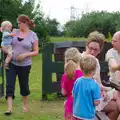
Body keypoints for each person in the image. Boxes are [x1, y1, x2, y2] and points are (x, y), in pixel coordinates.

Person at [4, 14, 39, 115]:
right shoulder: (14, 32)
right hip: (12, 63)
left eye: (19, 23)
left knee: (24, 85)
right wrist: (6, 50)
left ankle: (25, 106)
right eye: (17, 23)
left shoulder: (33, 35)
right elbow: (6, 42)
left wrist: (25, 55)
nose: (18, 25)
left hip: (25, 65)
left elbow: (36, 51)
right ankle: (9, 109)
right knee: (9, 84)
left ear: (25, 23)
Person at [82, 31, 120, 120]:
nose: (92, 52)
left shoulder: (96, 62)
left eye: (96, 50)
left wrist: (103, 90)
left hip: (96, 96)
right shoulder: (80, 60)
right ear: (86, 45)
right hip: (85, 98)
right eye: (90, 48)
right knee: (117, 94)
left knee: (115, 106)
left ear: (99, 50)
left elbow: (98, 82)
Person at [72, 55, 101, 120]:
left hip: (77, 113)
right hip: (88, 115)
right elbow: (96, 102)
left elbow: (73, 96)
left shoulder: (77, 81)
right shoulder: (95, 84)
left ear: (81, 69)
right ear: (94, 70)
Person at [61, 47, 83, 120]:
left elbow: (63, 93)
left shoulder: (65, 75)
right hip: (82, 105)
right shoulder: (84, 75)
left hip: (70, 105)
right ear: (79, 60)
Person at [106, 31, 120, 114]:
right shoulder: (111, 52)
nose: (112, 43)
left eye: (115, 41)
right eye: (112, 40)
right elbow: (114, 67)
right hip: (114, 86)